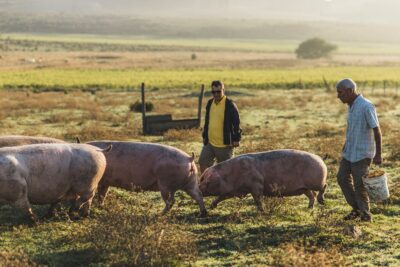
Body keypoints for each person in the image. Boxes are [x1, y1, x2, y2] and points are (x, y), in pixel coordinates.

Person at [336, 78, 382, 222]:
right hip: (349, 152)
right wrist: (345, 146)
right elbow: (352, 130)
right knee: (342, 178)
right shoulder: (351, 106)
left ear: (350, 91)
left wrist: (378, 154)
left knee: (359, 184)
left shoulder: (366, 106)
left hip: (362, 153)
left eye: (340, 93)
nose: (338, 96)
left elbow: (377, 130)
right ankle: (357, 208)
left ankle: (366, 215)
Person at [199, 80, 242, 173]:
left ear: (223, 90)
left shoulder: (230, 104)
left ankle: (226, 187)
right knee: (202, 162)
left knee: (227, 171)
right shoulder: (210, 103)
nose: (216, 94)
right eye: (213, 92)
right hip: (210, 143)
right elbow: (207, 121)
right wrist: (204, 136)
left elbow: (236, 123)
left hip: (224, 145)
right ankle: (208, 185)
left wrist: (236, 139)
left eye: (218, 91)